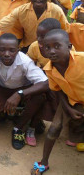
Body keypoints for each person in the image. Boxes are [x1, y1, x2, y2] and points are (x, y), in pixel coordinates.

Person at [31, 29, 84, 175]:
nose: (51, 51)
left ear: (69, 46)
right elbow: (58, 90)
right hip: (70, 100)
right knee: (53, 129)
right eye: (47, 47)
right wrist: (68, 108)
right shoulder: (49, 69)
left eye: (57, 46)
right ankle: (44, 162)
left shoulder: (82, 59)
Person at [0, 34, 49, 149]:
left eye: (12, 50)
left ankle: (19, 128)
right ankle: (6, 113)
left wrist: (20, 94)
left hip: (23, 89)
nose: (6, 54)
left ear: (18, 50)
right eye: (2, 50)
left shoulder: (25, 62)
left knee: (40, 96)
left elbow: (45, 83)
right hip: (3, 89)